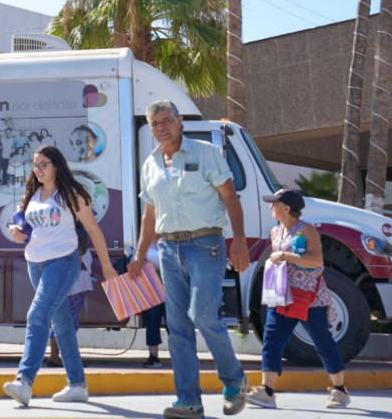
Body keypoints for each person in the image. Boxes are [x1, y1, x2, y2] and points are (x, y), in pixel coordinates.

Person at [130, 99, 249, 419]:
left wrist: (238, 240)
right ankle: (189, 401)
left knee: (203, 314)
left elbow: (231, 197)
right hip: (168, 250)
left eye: (166, 120)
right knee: (178, 328)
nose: (160, 128)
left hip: (206, 246)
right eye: (154, 124)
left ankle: (235, 381)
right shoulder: (150, 163)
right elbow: (150, 214)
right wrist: (139, 255)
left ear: (179, 121)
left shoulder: (206, 153)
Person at [3, 145, 118, 407]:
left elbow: (93, 230)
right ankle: (77, 385)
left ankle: (24, 381)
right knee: (62, 325)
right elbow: (24, 224)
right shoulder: (33, 192)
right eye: (35, 165)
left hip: (63, 262)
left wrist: (108, 267)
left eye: (44, 164)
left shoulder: (71, 193)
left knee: (37, 315)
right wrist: (14, 230)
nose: (38, 169)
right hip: (35, 262)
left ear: (56, 165)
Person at [245, 189, 350, 410]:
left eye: (274, 203)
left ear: (286, 208)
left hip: (309, 297)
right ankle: (267, 391)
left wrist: (284, 256)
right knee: (272, 339)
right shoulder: (275, 232)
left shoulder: (307, 230)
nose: (270, 207)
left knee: (323, 342)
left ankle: (339, 390)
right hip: (282, 295)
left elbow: (316, 261)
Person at [46, 246, 94, 368]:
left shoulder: (71, 245)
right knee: (68, 324)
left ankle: (56, 357)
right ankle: (67, 359)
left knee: (63, 323)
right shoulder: (71, 245)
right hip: (73, 289)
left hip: (76, 287)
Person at [140, 244, 168, 368]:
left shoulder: (172, 239)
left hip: (171, 285)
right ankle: (153, 357)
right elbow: (134, 260)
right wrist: (140, 261)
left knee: (174, 322)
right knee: (151, 320)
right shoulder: (145, 243)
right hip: (151, 286)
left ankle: (185, 355)